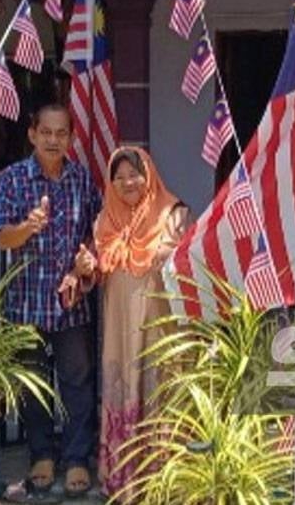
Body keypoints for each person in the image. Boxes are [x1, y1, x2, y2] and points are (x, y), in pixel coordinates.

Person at [0, 103, 102, 498]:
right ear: (33, 135)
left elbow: (97, 231)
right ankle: (41, 455)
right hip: (26, 302)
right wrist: (27, 228)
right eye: (47, 132)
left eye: (62, 133)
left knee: (77, 381)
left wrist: (87, 257)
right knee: (33, 384)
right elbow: (1, 236)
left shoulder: (82, 181)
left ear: (71, 138)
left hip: (72, 303)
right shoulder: (12, 179)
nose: (54, 140)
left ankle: (75, 460)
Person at [89, 147, 191, 499]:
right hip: (119, 325)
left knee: (158, 383)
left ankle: (163, 479)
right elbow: (98, 265)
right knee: (124, 384)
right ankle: (125, 478)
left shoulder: (172, 213)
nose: (128, 182)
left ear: (149, 175)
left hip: (159, 322)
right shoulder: (105, 220)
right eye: (119, 177)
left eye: (135, 174)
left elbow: (179, 259)